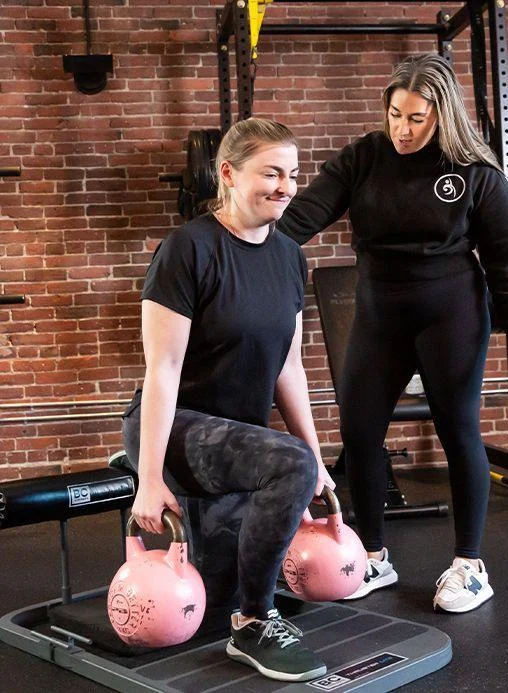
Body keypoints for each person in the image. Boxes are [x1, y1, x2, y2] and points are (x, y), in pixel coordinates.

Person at [277, 54, 508, 613]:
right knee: (359, 429)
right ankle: (371, 555)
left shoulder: (474, 172)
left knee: (457, 429)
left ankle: (470, 565)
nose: (402, 128)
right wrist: (250, 240)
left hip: (452, 309)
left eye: (416, 118)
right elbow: (305, 214)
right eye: (395, 114)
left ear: (441, 116)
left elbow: (506, 255)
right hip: (379, 309)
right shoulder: (365, 158)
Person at [122, 117, 335, 681]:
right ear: (227, 173)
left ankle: (242, 603)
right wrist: (148, 477)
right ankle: (254, 621)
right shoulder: (187, 249)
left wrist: (317, 464)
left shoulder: (290, 256)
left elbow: (290, 367)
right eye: (271, 172)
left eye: (292, 174)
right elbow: (162, 370)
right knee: (286, 463)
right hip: (173, 428)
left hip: (237, 435)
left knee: (295, 465)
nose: (286, 186)